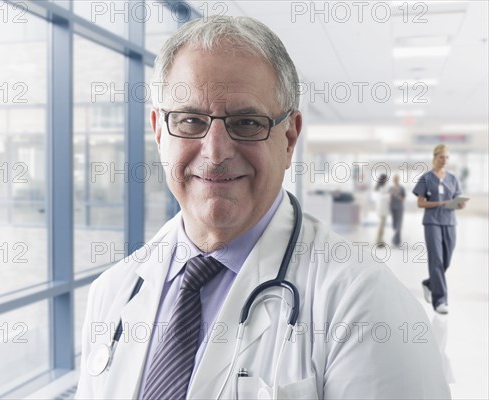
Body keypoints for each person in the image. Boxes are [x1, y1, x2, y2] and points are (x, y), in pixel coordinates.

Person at [76, 17, 450, 399]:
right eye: (190, 120)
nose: (216, 151)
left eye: (247, 122)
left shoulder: (365, 304)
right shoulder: (112, 292)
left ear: (289, 139)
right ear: (159, 132)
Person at [413, 144, 465, 315]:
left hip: (450, 222)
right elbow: (420, 202)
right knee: (436, 260)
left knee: (446, 261)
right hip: (432, 222)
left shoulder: (452, 178)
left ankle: (429, 283)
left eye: (447, 157)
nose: (445, 160)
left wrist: (460, 204)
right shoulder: (426, 178)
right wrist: (439, 203)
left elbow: (457, 198)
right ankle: (440, 301)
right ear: (434, 157)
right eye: (442, 157)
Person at [374, 173, 390, 246]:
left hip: (383, 209)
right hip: (381, 209)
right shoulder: (380, 188)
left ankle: (381, 241)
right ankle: (378, 241)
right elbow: (382, 198)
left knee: (382, 226)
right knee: (380, 226)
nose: (387, 181)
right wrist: (389, 195)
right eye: (386, 179)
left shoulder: (382, 187)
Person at [390, 174, 406, 246]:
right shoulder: (391, 188)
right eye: (394, 179)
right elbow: (388, 198)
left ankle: (394, 239)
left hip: (399, 208)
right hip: (392, 208)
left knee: (399, 224)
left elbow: (403, 199)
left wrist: (397, 195)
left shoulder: (401, 188)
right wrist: (391, 193)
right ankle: (398, 240)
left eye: (396, 179)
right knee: (394, 225)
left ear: (398, 179)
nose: (395, 180)